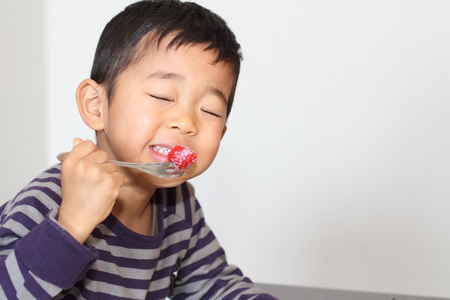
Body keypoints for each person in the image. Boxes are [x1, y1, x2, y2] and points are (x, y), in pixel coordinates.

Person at [0, 0, 278, 299]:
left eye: (210, 111)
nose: (186, 122)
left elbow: (211, 284)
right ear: (96, 106)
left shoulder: (178, 204)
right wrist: (72, 222)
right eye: (162, 95)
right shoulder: (46, 202)